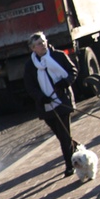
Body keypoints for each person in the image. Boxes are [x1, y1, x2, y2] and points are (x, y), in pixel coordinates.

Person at [23, 32, 79, 178]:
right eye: (39, 44)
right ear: (33, 48)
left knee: (64, 134)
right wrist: (41, 98)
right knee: (61, 135)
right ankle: (74, 147)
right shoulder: (30, 66)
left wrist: (65, 82)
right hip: (46, 106)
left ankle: (69, 166)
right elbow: (30, 86)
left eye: (44, 42)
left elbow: (73, 70)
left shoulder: (59, 55)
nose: (43, 45)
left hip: (62, 101)